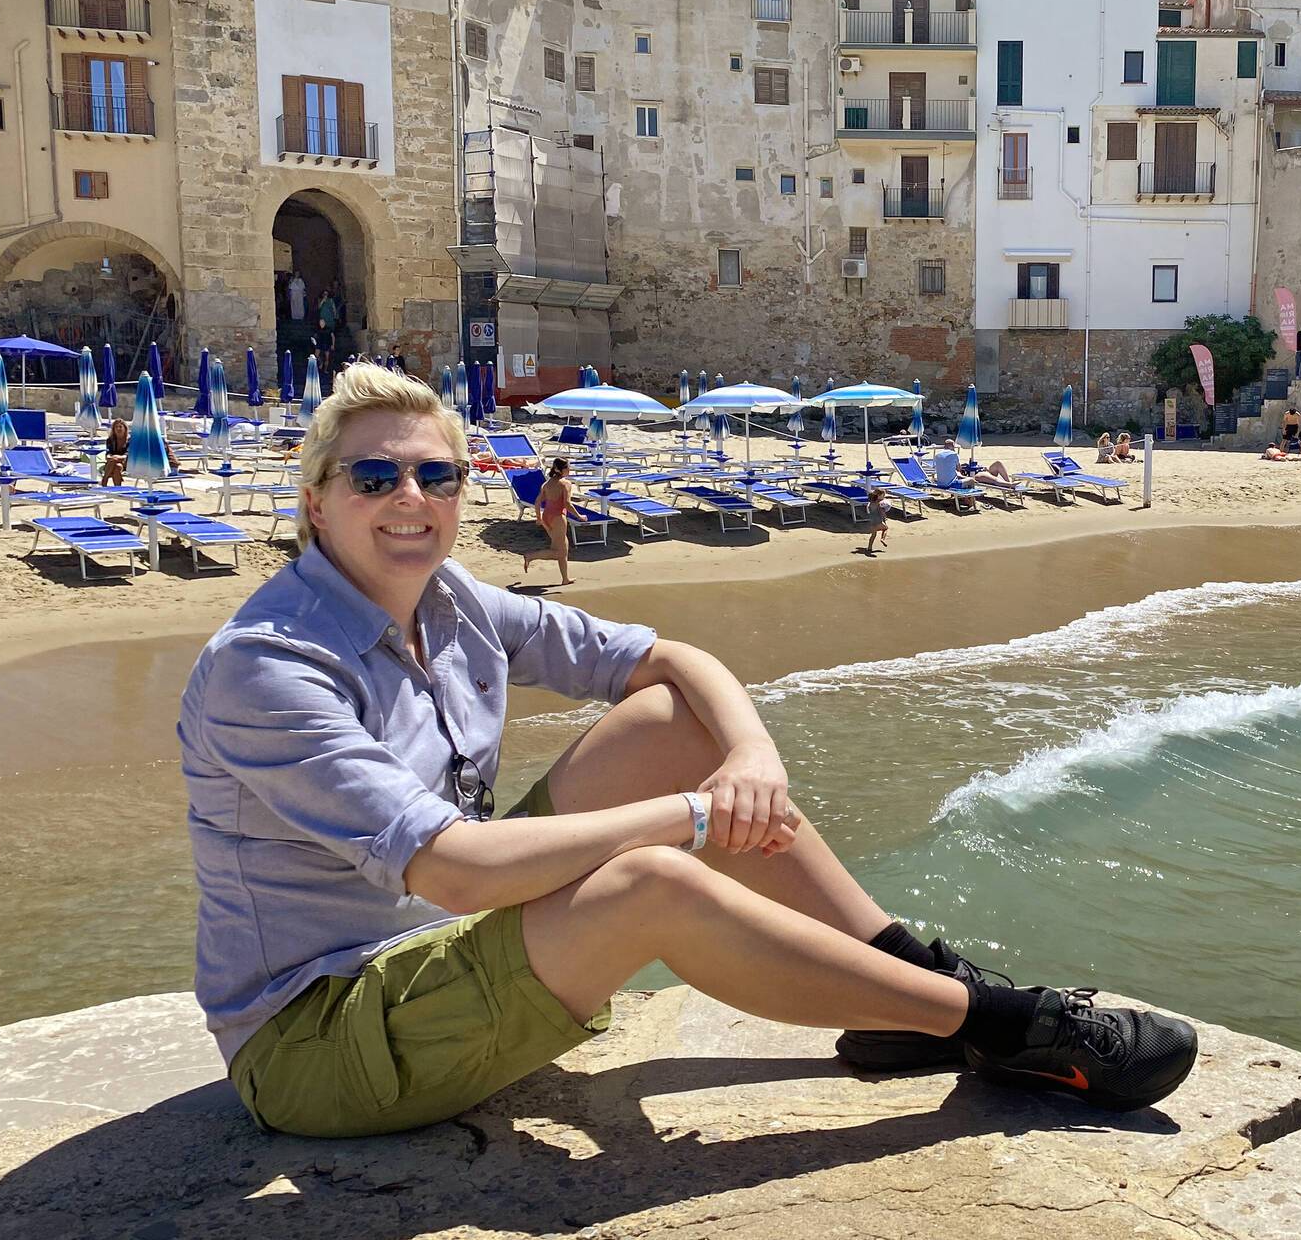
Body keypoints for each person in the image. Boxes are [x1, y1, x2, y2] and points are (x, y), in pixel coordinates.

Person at [179, 366, 1197, 1138]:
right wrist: (699, 817)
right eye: (374, 475)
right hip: (319, 1037)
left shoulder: (450, 602)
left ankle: (898, 977)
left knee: (674, 723)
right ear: (316, 500)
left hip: (437, 942)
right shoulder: (268, 666)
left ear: (459, 489)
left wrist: (750, 755)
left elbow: (668, 661)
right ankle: (1000, 1022)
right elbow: (450, 871)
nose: (410, 494)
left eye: (435, 472)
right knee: (653, 882)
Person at [522, 458, 581, 586]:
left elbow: (537, 502)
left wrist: (539, 518)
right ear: (560, 470)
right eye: (567, 468)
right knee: (559, 552)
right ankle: (530, 556)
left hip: (547, 517)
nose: (569, 470)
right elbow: (567, 503)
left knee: (563, 549)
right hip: (558, 517)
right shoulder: (565, 484)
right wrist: (579, 516)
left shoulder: (547, 484)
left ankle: (565, 579)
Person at [100, 417, 131, 488]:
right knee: (118, 466)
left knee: (114, 461)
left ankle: (105, 480)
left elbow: (127, 455)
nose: (118, 429)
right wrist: (111, 457)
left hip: (126, 463)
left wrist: (115, 457)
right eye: (116, 427)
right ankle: (117, 488)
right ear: (113, 429)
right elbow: (108, 453)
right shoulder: (110, 440)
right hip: (114, 463)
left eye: (120, 427)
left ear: (125, 428)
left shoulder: (130, 441)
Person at [865, 485, 890, 553]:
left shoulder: (871, 503)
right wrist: (885, 516)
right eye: (883, 495)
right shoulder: (880, 504)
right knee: (885, 529)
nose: (884, 496)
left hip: (872, 521)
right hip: (879, 521)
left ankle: (869, 548)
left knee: (873, 535)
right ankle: (882, 539)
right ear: (879, 495)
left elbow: (869, 511)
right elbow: (882, 512)